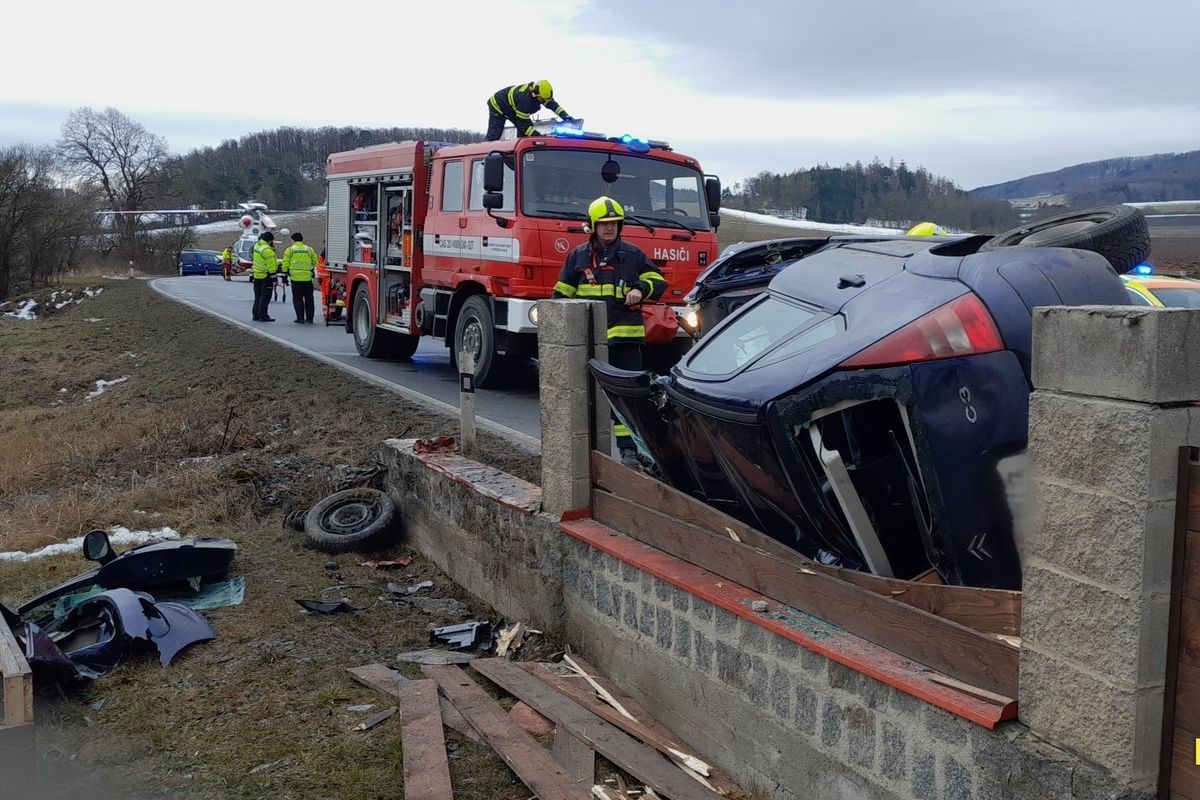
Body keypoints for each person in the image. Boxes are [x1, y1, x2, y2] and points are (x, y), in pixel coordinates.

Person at [552, 196, 666, 467]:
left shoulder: (633, 255)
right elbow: (561, 295)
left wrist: (641, 289)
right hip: (588, 341)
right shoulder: (578, 256)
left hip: (625, 341)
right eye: (604, 223)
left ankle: (629, 452)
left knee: (627, 398)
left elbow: (658, 281)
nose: (609, 228)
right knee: (585, 397)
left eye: (614, 223)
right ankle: (582, 450)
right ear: (592, 225)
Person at [486, 80, 576, 141]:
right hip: (498, 105)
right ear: (535, 94)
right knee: (494, 136)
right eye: (543, 99)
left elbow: (553, 105)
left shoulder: (541, 94)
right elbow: (524, 125)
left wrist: (565, 116)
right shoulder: (525, 100)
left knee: (525, 131)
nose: (545, 102)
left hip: (512, 108)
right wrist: (538, 136)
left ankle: (520, 150)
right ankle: (484, 156)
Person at [283, 231, 319, 323]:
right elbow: (315, 261)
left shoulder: (290, 250)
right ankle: (310, 319)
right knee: (309, 299)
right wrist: (310, 269)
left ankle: (300, 318)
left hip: (295, 278)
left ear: (293, 240)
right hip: (307, 278)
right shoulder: (309, 249)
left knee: (297, 298)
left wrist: (284, 275)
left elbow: (285, 264)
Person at [251, 231, 276, 322]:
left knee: (257, 296)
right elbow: (271, 264)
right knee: (265, 297)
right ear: (270, 240)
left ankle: (255, 315)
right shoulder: (267, 250)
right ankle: (263, 315)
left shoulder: (257, 246)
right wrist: (274, 277)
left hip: (256, 274)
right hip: (266, 275)